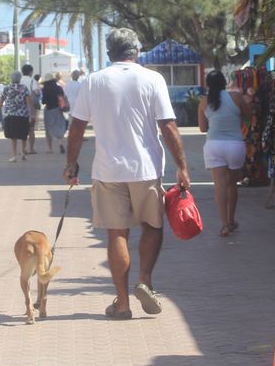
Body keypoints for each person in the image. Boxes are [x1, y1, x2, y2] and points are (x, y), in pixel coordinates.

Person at [65, 28, 190, 320]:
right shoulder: (152, 79)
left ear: (110, 53)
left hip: (108, 170)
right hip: (145, 168)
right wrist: (182, 166)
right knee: (152, 226)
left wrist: (71, 164)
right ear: (137, 51)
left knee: (117, 233)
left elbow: (77, 127)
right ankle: (144, 281)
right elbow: (168, 126)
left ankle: (122, 303)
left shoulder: (94, 81)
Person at [198, 69, 251, 237]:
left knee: (219, 186)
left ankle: (224, 225)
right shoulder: (236, 97)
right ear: (224, 82)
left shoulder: (204, 102)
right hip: (235, 144)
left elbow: (202, 128)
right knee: (231, 185)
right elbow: (249, 115)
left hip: (214, 145)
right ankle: (231, 220)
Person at [1, 70, 34, 162]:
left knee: (13, 136)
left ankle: (14, 156)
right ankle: (23, 153)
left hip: (10, 115)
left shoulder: (7, 88)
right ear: (19, 79)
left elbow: (1, 100)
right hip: (23, 115)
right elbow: (28, 101)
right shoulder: (24, 88)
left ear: (11, 79)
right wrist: (31, 113)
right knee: (23, 135)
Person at [40, 73, 68, 154]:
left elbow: (43, 101)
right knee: (58, 126)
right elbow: (62, 97)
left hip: (48, 110)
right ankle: (60, 143)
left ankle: (49, 148)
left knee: (48, 129)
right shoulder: (59, 88)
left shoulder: (45, 89)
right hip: (58, 109)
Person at [20, 65, 41, 154]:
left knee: (22, 129)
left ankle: (22, 149)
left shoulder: (19, 80)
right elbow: (36, 92)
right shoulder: (33, 81)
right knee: (31, 129)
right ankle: (31, 149)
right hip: (31, 108)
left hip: (20, 108)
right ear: (30, 72)